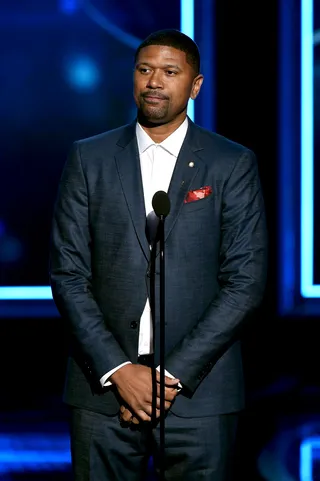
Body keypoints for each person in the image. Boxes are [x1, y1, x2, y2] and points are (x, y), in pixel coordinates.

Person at [50, 28, 268, 481]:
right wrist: (119, 371)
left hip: (198, 396)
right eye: (145, 70)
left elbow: (245, 281)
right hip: (104, 393)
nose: (154, 81)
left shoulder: (231, 162)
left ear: (195, 85)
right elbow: (68, 272)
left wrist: (166, 380)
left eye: (170, 72)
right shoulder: (88, 158)